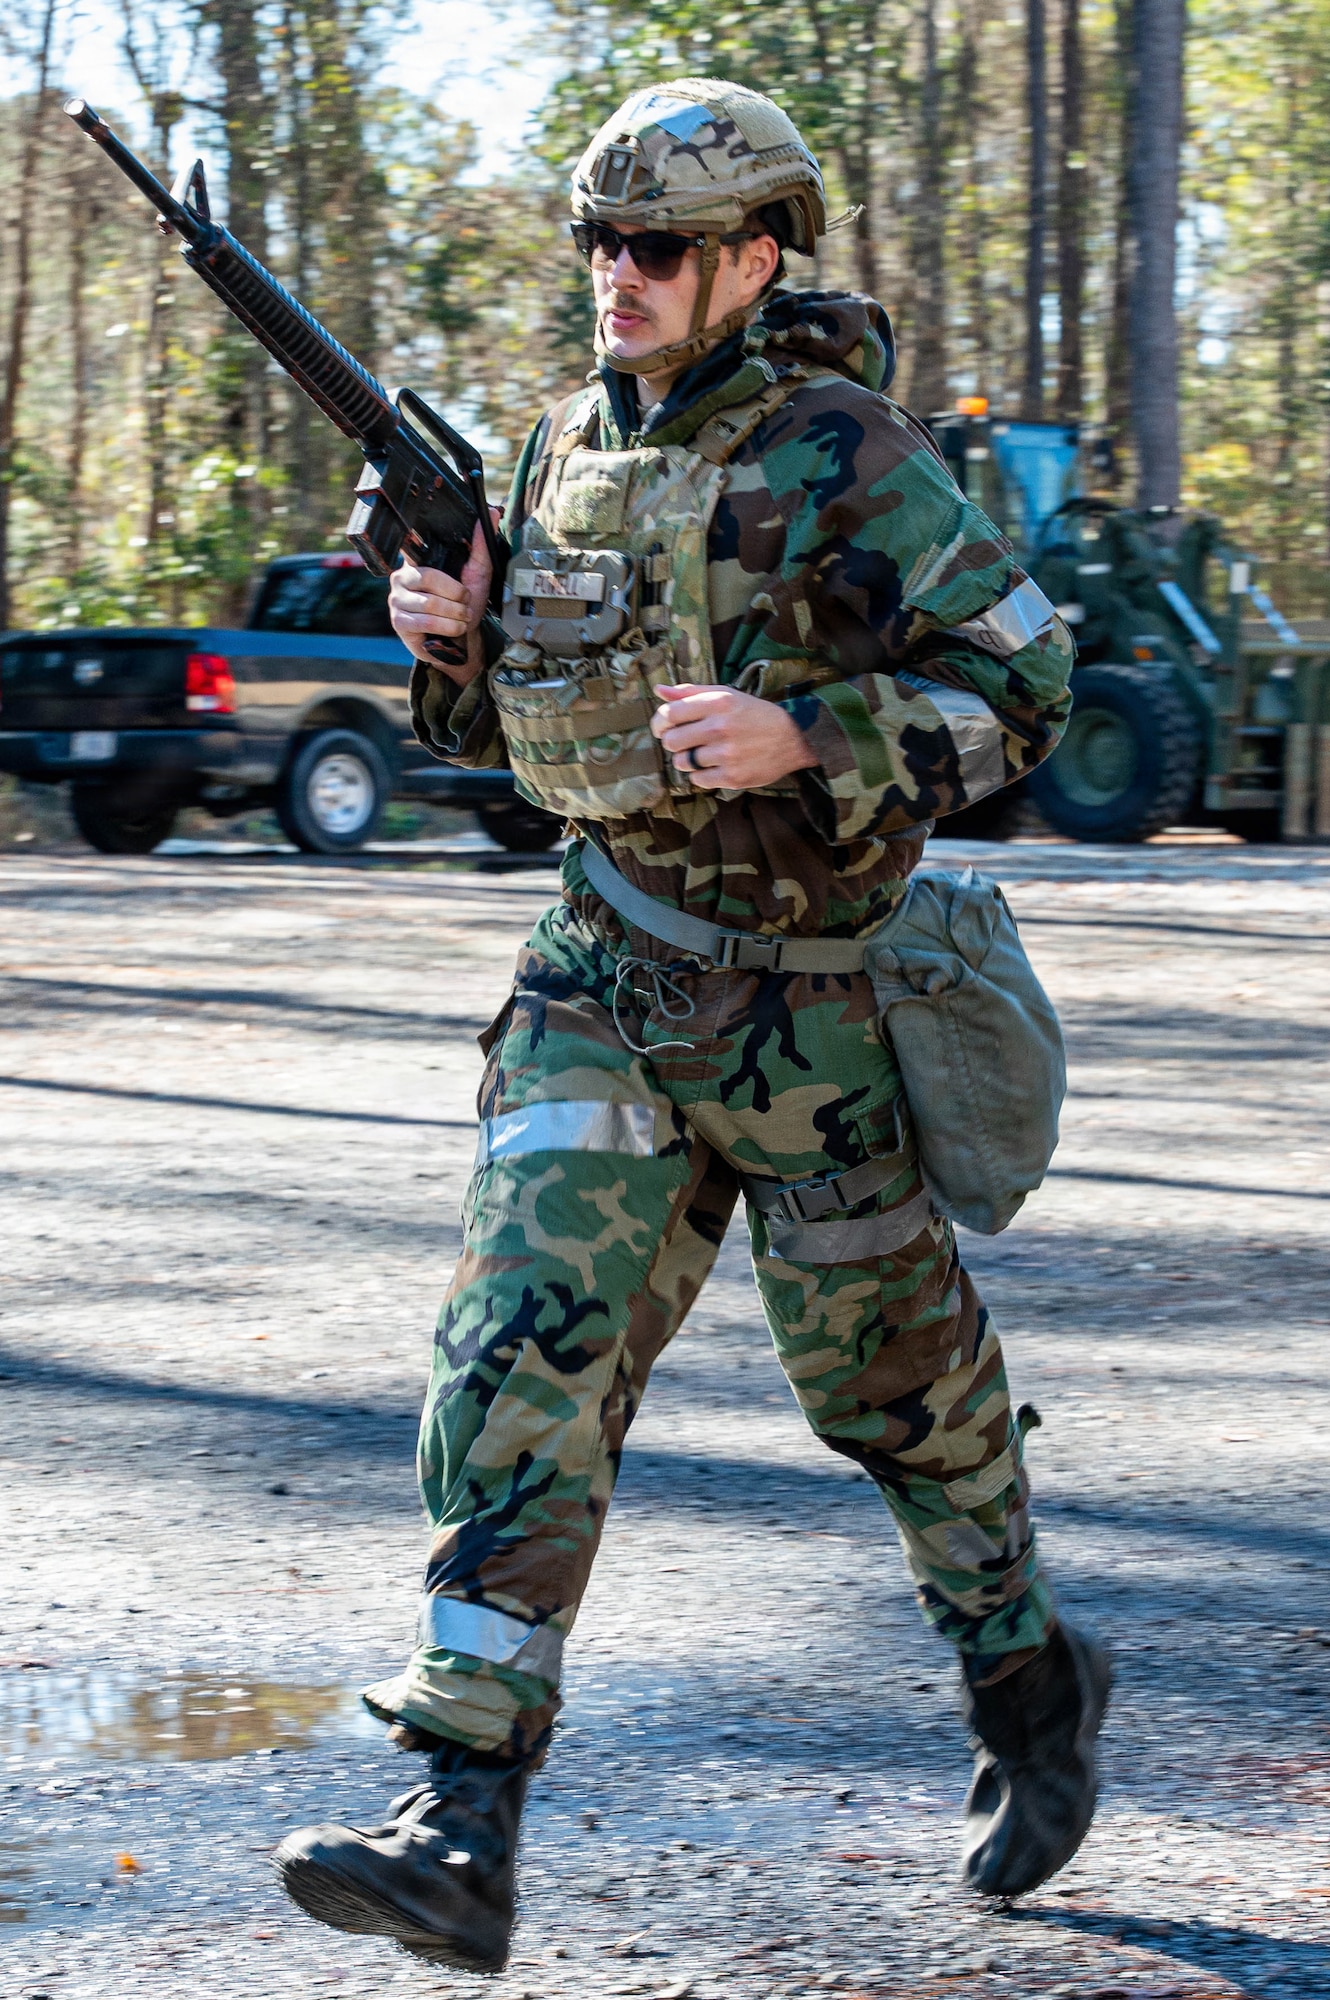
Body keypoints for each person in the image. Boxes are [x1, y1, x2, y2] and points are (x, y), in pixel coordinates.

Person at [275, 77, 1108, 1971]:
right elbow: (519, 745)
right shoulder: (561, 447)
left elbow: (1031, 677)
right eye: (594, 242)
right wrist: (456, 646)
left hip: (807, 1017)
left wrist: (811, 732)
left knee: (896, 1402)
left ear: (750, 257)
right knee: (518, 1349)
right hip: (600, 978)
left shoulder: (848, 452)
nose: (614, 276)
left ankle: (1027, 1683)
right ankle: (457, 1807)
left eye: (654, 247)